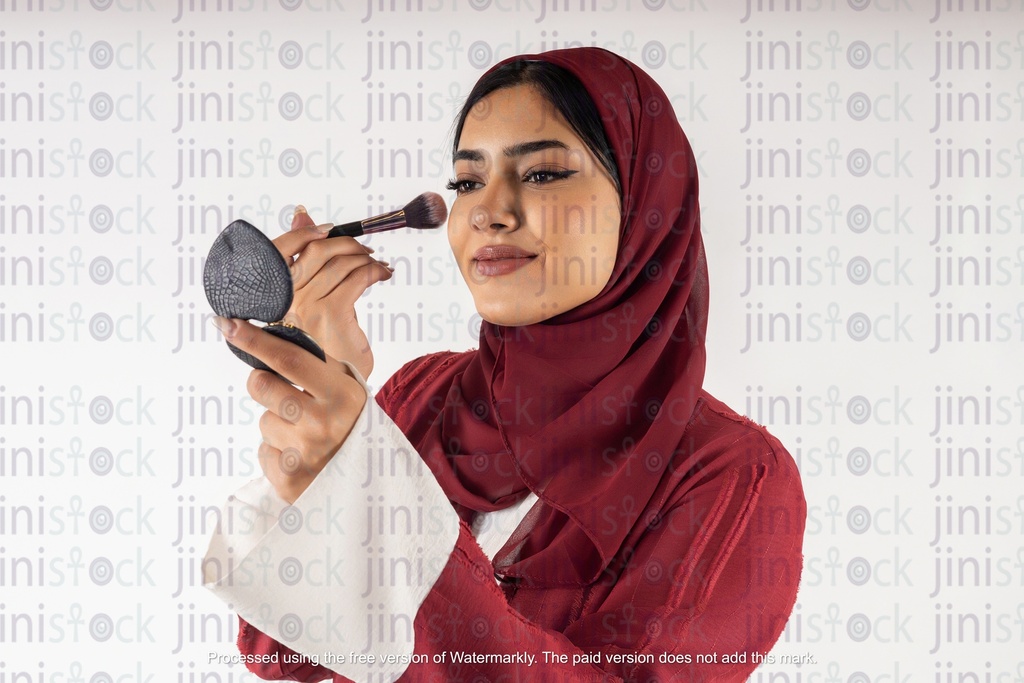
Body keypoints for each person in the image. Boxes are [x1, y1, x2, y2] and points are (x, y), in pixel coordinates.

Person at [204, 47, 805, 682]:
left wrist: (367, 480)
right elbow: (281, 651)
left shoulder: (734, 477)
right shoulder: (423, 394)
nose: (488, 211)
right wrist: (326, 395)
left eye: (542, 174)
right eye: (467, 183)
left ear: (644, 203)